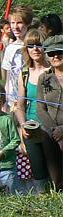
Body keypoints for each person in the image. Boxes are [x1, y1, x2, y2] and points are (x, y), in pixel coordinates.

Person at [15, 29, 52, 193]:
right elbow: (20, 105)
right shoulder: (24, 73)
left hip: (52, 129)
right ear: (26, 49)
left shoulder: (54, 71)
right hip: (31, 128)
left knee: (55, 172)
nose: (35, 49)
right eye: (31, 45)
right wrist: (23, 126)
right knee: (38, 174)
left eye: (39, 45)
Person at [36, 34, 63, 190]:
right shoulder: (44, 79)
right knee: (46, 139)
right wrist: (55, 132)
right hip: (51, 131)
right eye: (51, 54)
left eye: (59, 52)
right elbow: (41, 108)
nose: (56, 56)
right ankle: (57, 188)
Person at [2, 5, 33, 109]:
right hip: (14, 100)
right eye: (12, 23)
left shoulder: (34, 46)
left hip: (32, 99)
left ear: (27, 23)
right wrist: (6, 100)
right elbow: (8, 77)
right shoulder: (10, 48)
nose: (15, 27)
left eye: (19, 23)